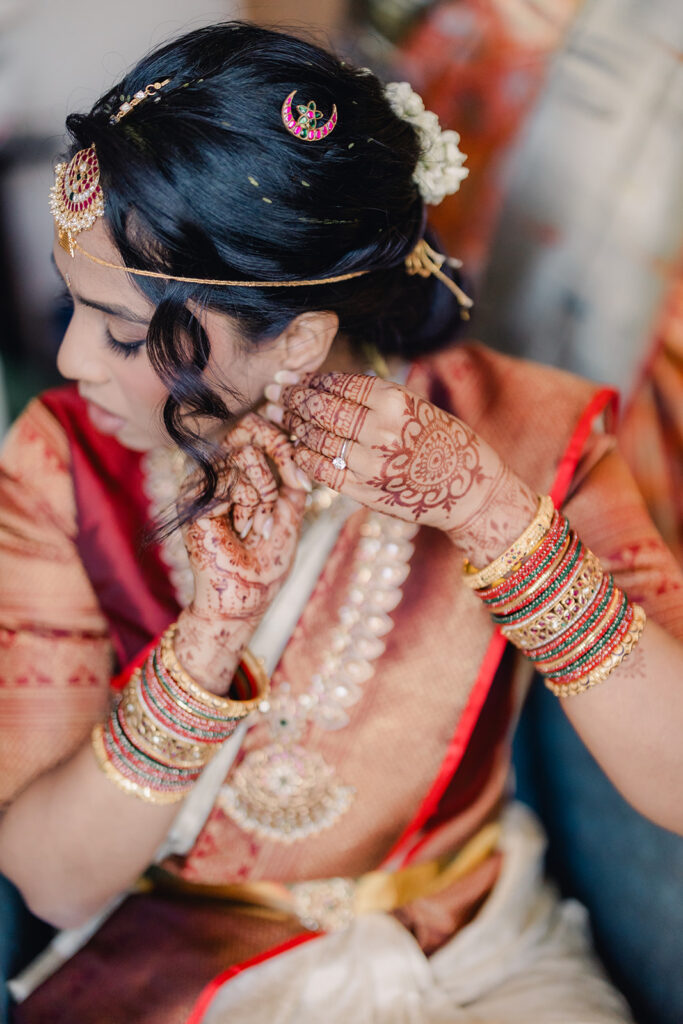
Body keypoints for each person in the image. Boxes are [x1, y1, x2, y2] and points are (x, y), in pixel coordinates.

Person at [0, 21, 681, 1024]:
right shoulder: (59, 461)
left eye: (118, 333)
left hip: (480, 958)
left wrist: (493, 518)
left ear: (301, 337)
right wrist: (207, 642)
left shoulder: (522, 430)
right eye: (72, 313)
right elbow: (52, 885)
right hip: (183, 969)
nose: (69, 365)